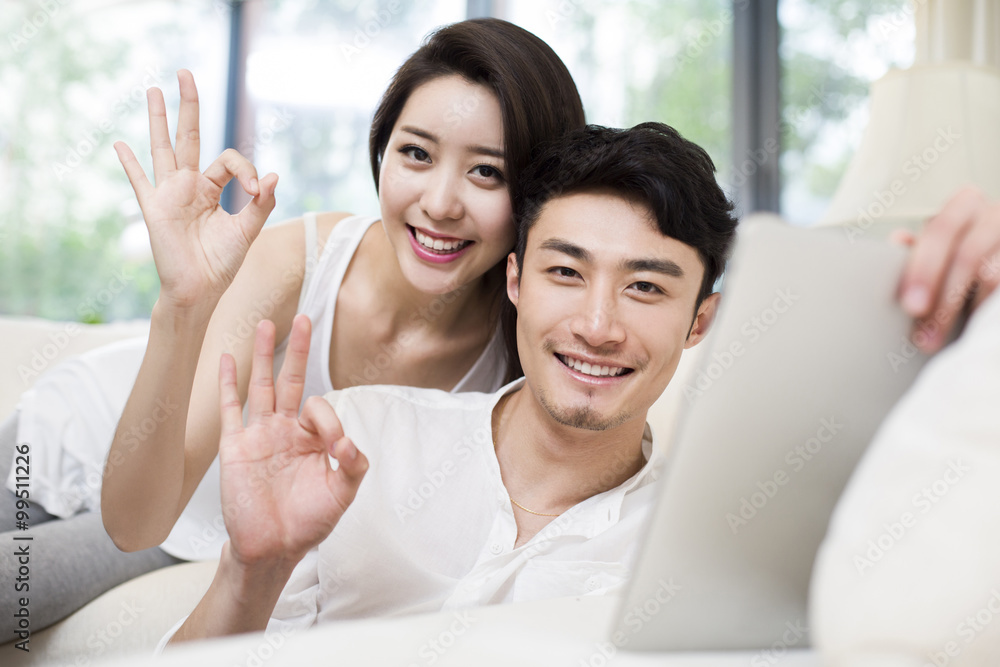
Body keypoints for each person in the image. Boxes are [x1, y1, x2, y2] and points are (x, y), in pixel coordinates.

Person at [0, 17, 585, 636]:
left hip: (189, 526)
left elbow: (138, 533)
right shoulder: (298, 263)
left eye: (486, 172)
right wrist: (182, 304)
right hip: (71, 448)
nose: (440, 203)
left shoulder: (520, 358)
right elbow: (136, 515)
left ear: (539, 194)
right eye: (416, 153)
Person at [164, 121, 739, 644]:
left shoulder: (700, 551)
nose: (596, 327)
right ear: (516, 282)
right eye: (565, 272)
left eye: (645, 287)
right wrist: (251, 571)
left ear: (700, 321)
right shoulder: (353, 439)